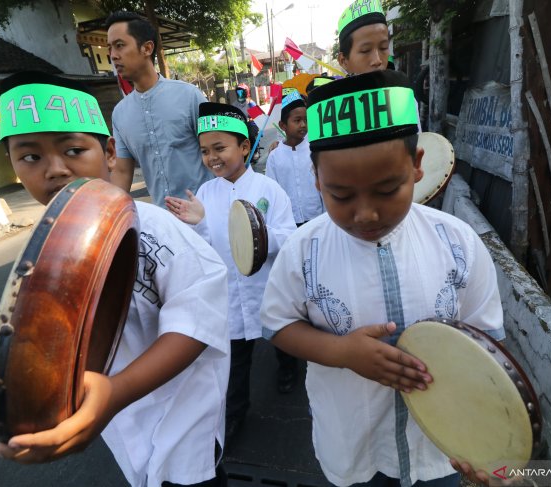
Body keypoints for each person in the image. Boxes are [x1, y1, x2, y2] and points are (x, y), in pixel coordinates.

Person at [260, 70, 506, 487]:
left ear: (416, 166)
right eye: (340, 195)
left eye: (387, 189)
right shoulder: (304, 251)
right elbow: (278, 324)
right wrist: (342, 353)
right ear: (317, 178)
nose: (366, 214)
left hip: (441, 449)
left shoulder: (458, 242)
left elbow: (487, 342)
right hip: (353, 447)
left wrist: (484, 432)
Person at [0, 71, 231, 487]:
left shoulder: (153, 224)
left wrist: (114, 393)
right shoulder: (44, 248)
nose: (55, 170)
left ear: (110, 152)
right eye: (30, 157)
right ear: (13, 166)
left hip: (183, 425)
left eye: (72, 149)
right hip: (121, 426)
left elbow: (198, 321)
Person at [164, 102, 297, 440]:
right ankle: (235, 413)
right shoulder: (205, 194)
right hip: (229, 296)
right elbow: (204, 250)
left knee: (281, 337)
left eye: (220, 147)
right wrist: (198, 223)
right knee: (235, 361)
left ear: (243, 146)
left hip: (267, 287)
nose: (212, 157)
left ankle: (288, 368)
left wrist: (258, 237)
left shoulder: (269, 190)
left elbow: (289, 236)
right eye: (205, 151)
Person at [105, 11, 211, 205]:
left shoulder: (189, 96)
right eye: (110, 48)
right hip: (164, 225)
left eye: (120, 45)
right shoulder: (120, 114)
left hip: (205, 215)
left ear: (147, 48)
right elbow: (121, 171)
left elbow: (217, 152)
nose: (113, 56)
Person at [265, 90, 323, 227]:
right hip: (288, 222)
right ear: (283, 125)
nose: (303, 124)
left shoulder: (314, 151)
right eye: (297, 120)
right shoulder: (275, 156)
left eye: (306, 120)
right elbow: (271, 192)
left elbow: (324, 187)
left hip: (316, 219)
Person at [337, 0, 390, 76]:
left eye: (383, 48)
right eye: (366, 50)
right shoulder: (333, 88)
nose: (377, 60)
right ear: (343, 61)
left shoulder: (402, 86)